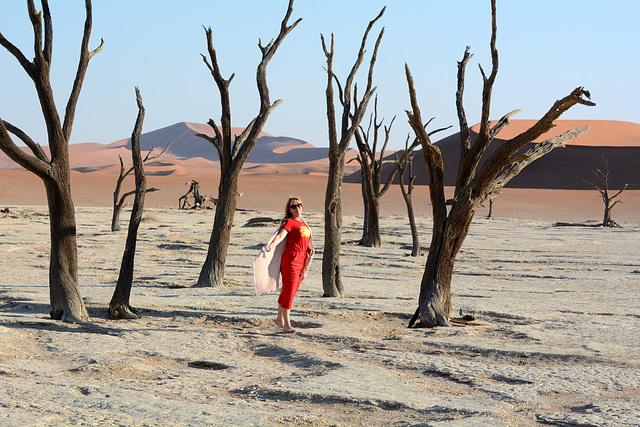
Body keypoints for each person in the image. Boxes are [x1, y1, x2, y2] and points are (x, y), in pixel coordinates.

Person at [264, 197, 314, 333]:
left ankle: (280, 319)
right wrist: (270, 246)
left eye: (299, 205)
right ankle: (287, 323)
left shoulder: (304, 223)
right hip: (291, 259)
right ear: (289, 210)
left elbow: (308, 241)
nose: (297, 208)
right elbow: (280, 236)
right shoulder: (289, 222)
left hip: (302, 260)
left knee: (289, 289)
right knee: (290, 290)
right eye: (293, 206)